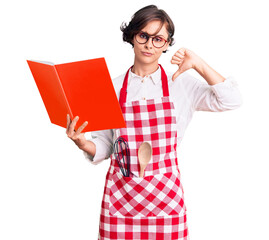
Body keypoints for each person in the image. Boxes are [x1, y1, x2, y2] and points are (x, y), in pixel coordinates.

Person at [66, 5, 242, 240]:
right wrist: (81, 142)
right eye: (143, 36)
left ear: (168, 44)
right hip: (121, 201)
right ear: (132, 36)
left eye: (158, 39)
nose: (150, 45)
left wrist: (198, 63)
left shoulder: (180, 84)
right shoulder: (111, 87)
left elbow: (231, 100)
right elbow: (106, 147)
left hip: (166, 202)